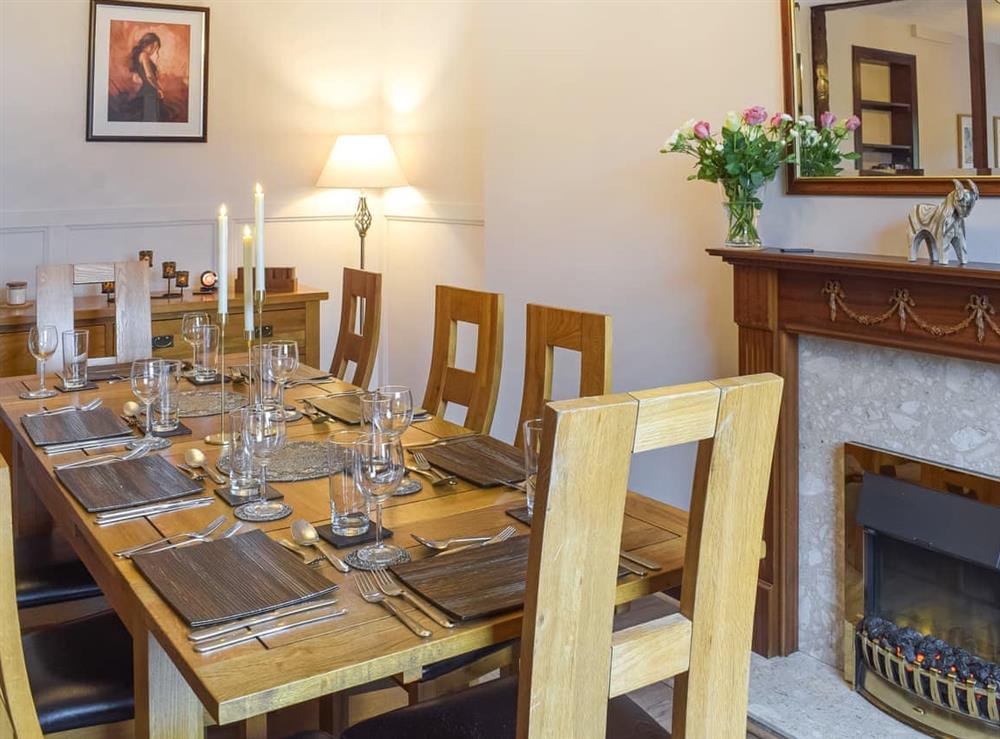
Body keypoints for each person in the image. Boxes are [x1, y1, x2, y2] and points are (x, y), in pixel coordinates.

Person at [129, 32, 164, 122]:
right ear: (148, 44)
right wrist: (158, 88)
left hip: (147, 90)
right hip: (150, 91)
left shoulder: (141, 56)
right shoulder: (144, 55)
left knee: (150, 118)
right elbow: (149, 75)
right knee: (151, 118)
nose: (154, 51)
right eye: (154, 47)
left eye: (156, 48)